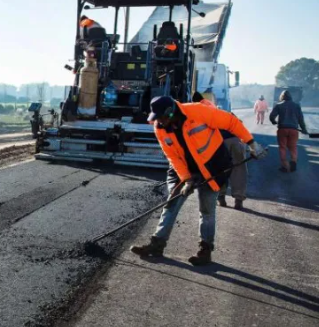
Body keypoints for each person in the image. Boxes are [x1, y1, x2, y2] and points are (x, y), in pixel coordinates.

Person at [131, 96, 265, 265]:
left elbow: (231, 122)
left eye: (162, 117)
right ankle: (156, 245)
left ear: (171, 112)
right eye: (156, 118)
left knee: (207, 209)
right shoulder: (159, 128)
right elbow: (172, 156)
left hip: (212, 165)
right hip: (184, 168)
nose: (159, 122)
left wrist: (251, 143)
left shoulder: (198, 111)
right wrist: (187, 179)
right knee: (172, 203)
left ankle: (205, 250)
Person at [191, 92, 248, 209]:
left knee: (220, 170)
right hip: (236, 140)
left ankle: (221, 197)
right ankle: (238, 200)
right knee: (239, 168)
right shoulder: (223, 111)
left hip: (220, 142)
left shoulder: (199, 115)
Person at [270, 90, 308, 172]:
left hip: (282, 129)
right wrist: (304, 129)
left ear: (282, 97)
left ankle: (285, 166)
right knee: (293, 147)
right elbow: (300, 119)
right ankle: (293, 162)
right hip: (294, 130)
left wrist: (273, 121)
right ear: (290, 96)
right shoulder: (296, 106)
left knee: (282, 147)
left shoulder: (279, 105)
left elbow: (272, 116)